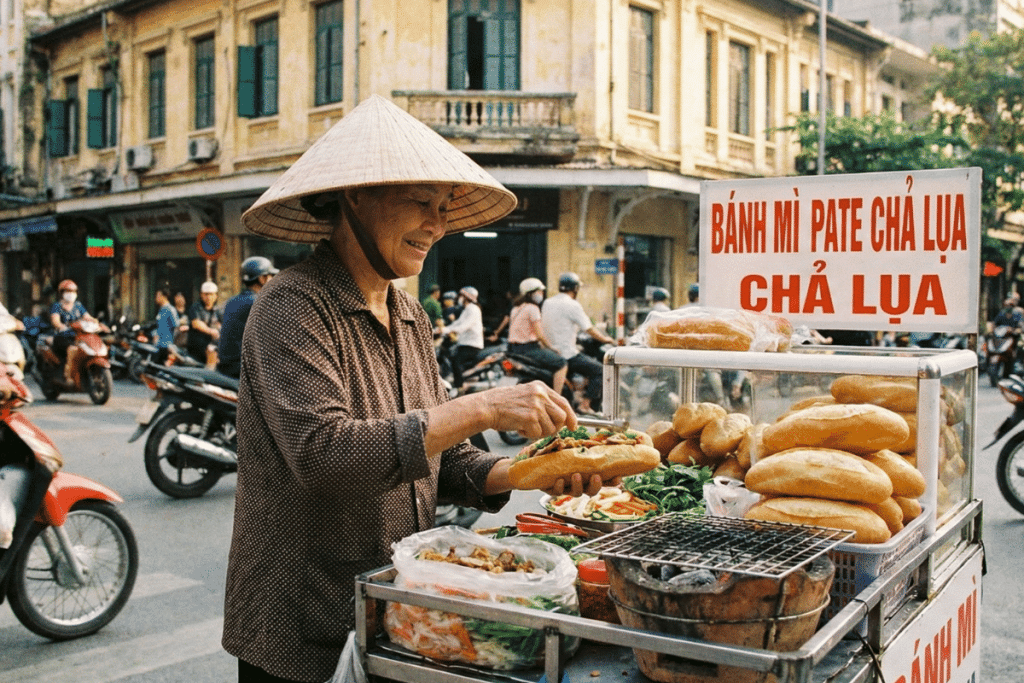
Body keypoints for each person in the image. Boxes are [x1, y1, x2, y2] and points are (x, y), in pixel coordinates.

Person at [221, 95, 602, 683]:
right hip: (301, 624)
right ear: (356, 196)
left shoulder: (409, 314)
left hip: (396, 605)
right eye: (420, 203)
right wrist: (483, 405)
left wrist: (531, 472)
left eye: (444, 208)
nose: (437, 224)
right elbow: (324, 455)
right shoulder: (291, 306)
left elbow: (439, 457)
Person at [541, 272, 617, 414]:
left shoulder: (547, 302)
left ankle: (577, 392)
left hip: (550, 351)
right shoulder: (572, 305)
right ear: (576, 288)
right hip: (566, 353)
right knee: (600, 370)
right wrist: (606, 339)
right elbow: (589, 328)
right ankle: (585, 405)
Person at [216, 256, 278, 378]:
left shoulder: (233, 301)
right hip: (244, 368)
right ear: (262, 279)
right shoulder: (258, 302)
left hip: (228, 366)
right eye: (270, 276)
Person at [507, 277, 569, 397]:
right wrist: (552, 348)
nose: (541, 294)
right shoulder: (532, 308)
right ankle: (558, 399)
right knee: (561, 363)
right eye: (539, 292)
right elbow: (540, 334)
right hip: (528, 350)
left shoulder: (516, 308)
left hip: (513, 350)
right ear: (530, 293)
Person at [49, 279, 103, 382]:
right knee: (73, 349)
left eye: (73, 291)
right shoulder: (57, 306)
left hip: (78, 335)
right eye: (68, 291)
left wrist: (96, 323)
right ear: (62, 293)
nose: (71, 294)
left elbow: (88, 317)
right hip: (62, 336)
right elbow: (55, 321)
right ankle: (67, 375)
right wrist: (61, 326)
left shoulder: (78, 306)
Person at [443, 285, 484, 389]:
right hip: (464, 343)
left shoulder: (473, 309)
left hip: (472, 344)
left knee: (456, 361)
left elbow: (463, 326)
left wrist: (447, 330)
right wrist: (441, 330)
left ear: (466, 297)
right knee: (451, 357)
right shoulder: (466, 309)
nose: (458, 298)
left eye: (460, 296)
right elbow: (457, 323)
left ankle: (459, 387)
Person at [187, 281, 222, 366]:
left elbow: (222, 325)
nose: (208, 297)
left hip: (212, 348)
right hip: (196, 351)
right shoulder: (196, 308)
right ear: (201, 295)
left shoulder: (217, 311)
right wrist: (212, 331)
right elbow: (196, 323)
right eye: (206, 294)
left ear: (216, 296)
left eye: (211, 294)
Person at [153, 288, 179, 364]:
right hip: (159, 344)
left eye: (158, 296)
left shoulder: (170, 309)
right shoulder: (161, 310)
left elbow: (176, 326)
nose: (156, 298)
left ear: (164, 296)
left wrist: (172, 345)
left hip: (167, 345)